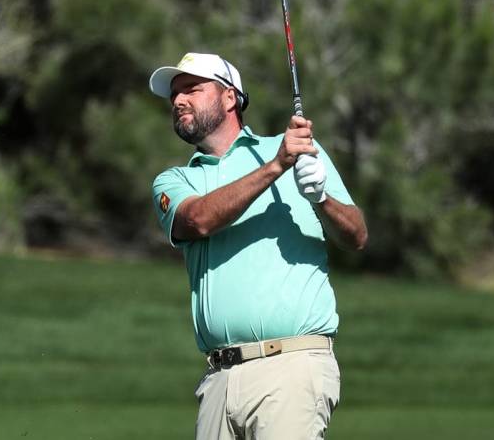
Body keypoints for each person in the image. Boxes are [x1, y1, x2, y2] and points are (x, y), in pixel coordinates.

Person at [149, 52, 368, 439]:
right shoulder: (174, 180)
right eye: (174, 95)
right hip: (219, 379)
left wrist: (321, 199)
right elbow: (197, 219)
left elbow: (357, 236)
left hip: (291, 365)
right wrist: (276, 167)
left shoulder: (296, 152)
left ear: (230, 97)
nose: (178, 100)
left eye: (191, 90)